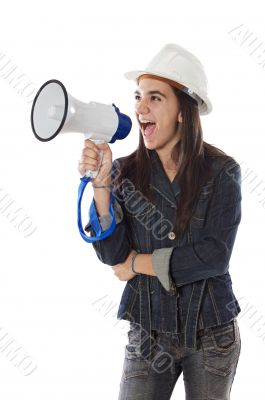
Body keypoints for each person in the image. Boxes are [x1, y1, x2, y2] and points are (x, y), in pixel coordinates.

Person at [78, 43, 242, 400]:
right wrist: (101, 187)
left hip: (211, 333)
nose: (139, 108)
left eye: (154, 98)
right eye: (138, 97)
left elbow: (214, 256)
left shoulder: (222, 171)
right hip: (148, 332)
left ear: (183, 111)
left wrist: (138, 263)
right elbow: (111, 254)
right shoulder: (123, 172)